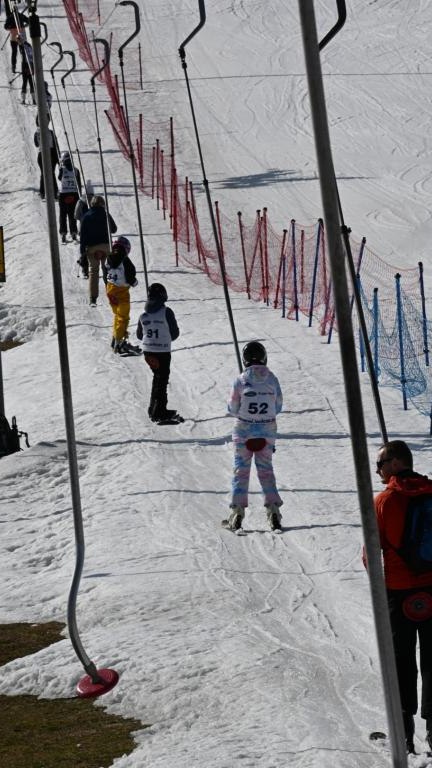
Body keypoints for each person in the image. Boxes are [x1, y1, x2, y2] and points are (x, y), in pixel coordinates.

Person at [369, 440, 432, 754]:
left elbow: (371, 554)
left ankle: (404, 735)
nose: (378, 470)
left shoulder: (384, 500)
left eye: (380, 464)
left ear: (395, 464)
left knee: (402, 661)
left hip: (399, 592)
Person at [223, 341, 283, 532]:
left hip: (244, 431)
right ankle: (273, 511)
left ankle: (237, 512)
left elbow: (232, 408)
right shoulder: (272, 379)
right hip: (267, 431)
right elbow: (278, 405)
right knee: (266, 471)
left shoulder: (240, 380)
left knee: (241, 471)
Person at [136, 283, 180, 422]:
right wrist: (164, 339)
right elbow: (174, 333)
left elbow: (139, 335)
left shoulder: (143, 315)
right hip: (162, 351)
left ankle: (154, 409)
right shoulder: (167, 312)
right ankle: (159, 412)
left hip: (148, 351)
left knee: (158, 378)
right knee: (161, 380)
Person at [104, 236, 140, 353]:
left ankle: (116, 338)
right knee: (123, 317)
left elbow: (105, 273)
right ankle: (119, 343)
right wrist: (134, 282)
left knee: (118, 315)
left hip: (110, 289)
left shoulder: (108, 258)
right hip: (121, 292)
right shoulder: (125, 260)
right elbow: (130, 276)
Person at [79, 195, 117, 303]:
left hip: (92, 248)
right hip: (106, 246)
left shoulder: (86, 216)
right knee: (107, 271)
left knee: (93, 271)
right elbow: (114, 229)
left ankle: (93, 298)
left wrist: (82, 251)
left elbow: (82, 236)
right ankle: (110, 294)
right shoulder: (105, 214)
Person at [58, 151, 81, 243]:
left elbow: (59, 178)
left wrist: (61, 168)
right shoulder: (76, 170)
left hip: (63, 194)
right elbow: (79, 183)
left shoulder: (62, 169)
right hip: (74, 194)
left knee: (63, 214)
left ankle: (63, 233)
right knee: (72, 214)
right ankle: (73, 232)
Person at [34, 123, 58, 199]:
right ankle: (51, 192)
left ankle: (45, 192)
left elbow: (37, 144)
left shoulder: (39, 133)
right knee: (48, 173)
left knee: (47, 173)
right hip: (47, 153)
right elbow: (37, 144)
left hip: (46, 153)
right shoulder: (48, 132)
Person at [4, 8, 28, 74]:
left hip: (14, 36)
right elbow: (28, 21)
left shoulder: (10, 17)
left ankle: (13, 66)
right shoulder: (21, 15)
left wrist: (10, 28)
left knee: (14, 52)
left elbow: (5, 26)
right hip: (21, 35)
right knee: (23, 51)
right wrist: (24, 25)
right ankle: (25, 66)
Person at [17, 36, 35, 105]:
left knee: (27, 82)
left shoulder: (23, 46)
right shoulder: (27, 45)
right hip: (30, 64)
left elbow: (27, 56)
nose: (18, 42)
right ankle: (33, 100)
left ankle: (25, 100)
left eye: (18, 41)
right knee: (30, 82)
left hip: (26, 64)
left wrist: (27, 68)